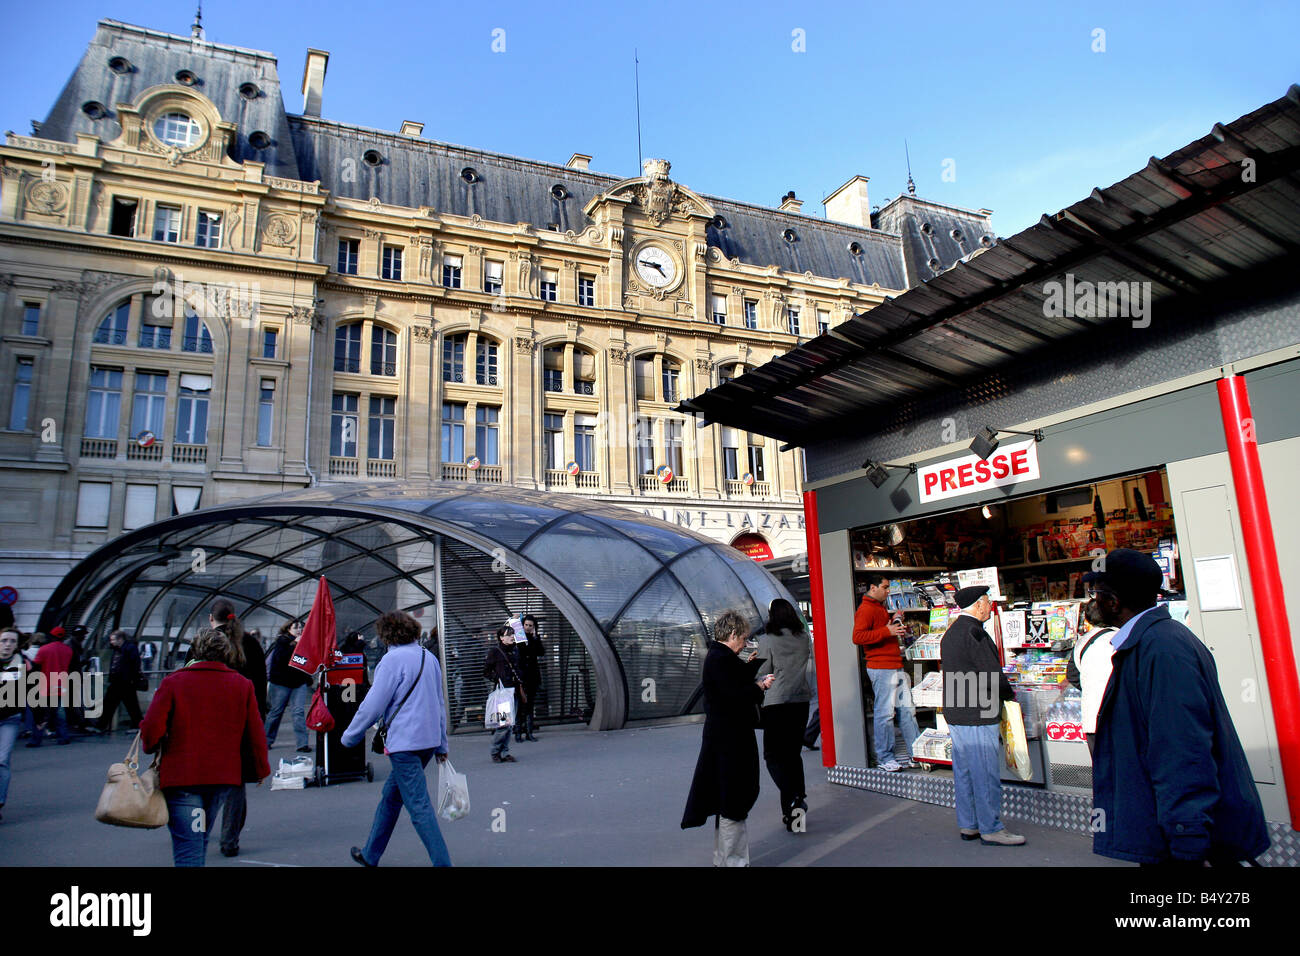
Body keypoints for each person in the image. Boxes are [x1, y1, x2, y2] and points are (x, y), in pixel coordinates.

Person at [1086, 549, 1268, 866]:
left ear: (1114, 602)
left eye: (1096, 594)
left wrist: (1187, 837)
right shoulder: (1153, 642)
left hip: (1184, 841)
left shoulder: (1161, 648)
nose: (1092, 601)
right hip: (1172, 831)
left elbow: (1181, 749)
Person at [139, 628, 270, 867]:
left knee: (189, 845)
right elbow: (255, 732)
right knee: (199, 837)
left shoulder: (174, 682)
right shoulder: (242, 685)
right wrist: (260, 769)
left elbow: (151, 729)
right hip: (221, 777)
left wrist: (151, 746)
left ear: (196, 650)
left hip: (182, 776)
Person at [342, 611, 452, 867]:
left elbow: (372, 706)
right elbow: (439, 703)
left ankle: (443, 863)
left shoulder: (391, 661)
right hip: (428, 740)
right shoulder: (429, 657)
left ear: (386, 635)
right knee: (391, 797)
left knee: (418, 806)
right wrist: (442, 744)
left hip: (404, 743)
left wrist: (350, 736)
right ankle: (370, 854)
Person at [681, 610, 776, 866]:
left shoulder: (718, 657)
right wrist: (759, 687)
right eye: (743, 638)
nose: (745, 643)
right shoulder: (721, 660)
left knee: (727, 800)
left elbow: (729, 688)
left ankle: (725, 859)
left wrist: (749, 670)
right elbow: (735, 696)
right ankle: (734, 861)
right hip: (731, 741)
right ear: (732, 634)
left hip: (722, 739)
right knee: (735, 800)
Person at [940, 585, 1023, 846]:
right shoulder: (975, 633)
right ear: (978, 605)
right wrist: (1009, 695)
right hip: (979, 709)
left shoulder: (951, 633)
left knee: (964, 771)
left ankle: (969, 824)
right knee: (985, 772)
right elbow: (991, 673)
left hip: (957, 710)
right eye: (987, 602)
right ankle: (991, 827)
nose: (990, 606)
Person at [208, 598, 267, 858]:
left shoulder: (205, 641)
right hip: (241, 720)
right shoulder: (251, 643)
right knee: (235, 782)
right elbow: (260, 684)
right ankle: (229, 840)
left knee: (204, 780)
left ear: (212, 619)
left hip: (207, 721)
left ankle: (197, 831)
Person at [852, 572, 920, 770]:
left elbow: (878, 633)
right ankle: (885, 757)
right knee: (886, 714)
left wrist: (894, 624)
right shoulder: (866, 609)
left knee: (907, 711)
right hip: (881, 667)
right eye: (885, 587)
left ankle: (915, 754)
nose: (888, 591)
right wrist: (887, 631)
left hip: (893, 665)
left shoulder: (879, 608)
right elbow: (857, 636)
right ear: (873, 588)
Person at [754, 599, 812, 831]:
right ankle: (793, 817)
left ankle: (792, 795)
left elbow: (762, 673)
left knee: (773, 756)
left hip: (777, 703)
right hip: (800, 701)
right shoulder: (803, 638)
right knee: (792, 755)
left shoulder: (767, 640)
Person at [1065, 600, 1116, 756]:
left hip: (1092, 717)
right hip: (1118, 717)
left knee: (1101, 768)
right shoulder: (1121, 637)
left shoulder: (1082, 642)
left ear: (1086, 619)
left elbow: (1072, 675)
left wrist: (1091, 686)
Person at [264, 619, 312, 752]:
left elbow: (304, 663)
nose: (299, 630)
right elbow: (281, 658)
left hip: (298, 683)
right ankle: (266, 740)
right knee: (276, 712)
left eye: (301, 627)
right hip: (281, 683)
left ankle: (302, 743)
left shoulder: (304, 643)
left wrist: (307, 678)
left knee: (298, 712)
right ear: (288, 629)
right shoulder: (282, 642)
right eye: (296, 627)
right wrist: (294, 645)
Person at [483, 624, 526, 762]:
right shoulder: (495, 652)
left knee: (510, 724)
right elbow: (486, 671)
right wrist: (498, 678)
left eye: (513, 634)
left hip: (515, 692)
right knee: (503, 725)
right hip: (503, 693)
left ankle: (505, 752)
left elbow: (520, 667)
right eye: (508, 635)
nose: (512, 637)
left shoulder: (515, 651)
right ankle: (495, 751)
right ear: (501, 638)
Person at [28, 626, 73, 747]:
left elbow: (35, 666)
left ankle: (36, 739)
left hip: (45, 683)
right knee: (59, 712)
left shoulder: (44, 649)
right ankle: (63, 736)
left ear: (51, 636)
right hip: (61, 683)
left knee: (40, 713)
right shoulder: (68, 650)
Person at [96, 629, 144, 733]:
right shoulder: (120, 649)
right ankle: (138, 724)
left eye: (113, 639)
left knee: (119, 704)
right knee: (123, 704)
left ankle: (101, 725)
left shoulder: (128, 648)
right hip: (119, 681)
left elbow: (134, 665)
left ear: (120, 639)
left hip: (124, 681)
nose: (111, 642)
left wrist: (131, 678)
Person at [0, 629, 25, 822]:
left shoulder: (23, 664)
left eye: (11, 641)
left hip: (10, 717)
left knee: (2, 760)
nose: (7, 644)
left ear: (17, 644)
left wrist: (40, 717)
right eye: (4, 640)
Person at [516, 614, 545, 742]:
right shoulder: (518, 639)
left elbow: (541, 652)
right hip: (521, 676)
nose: (528, 627)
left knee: (530, 704)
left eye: (530, 626)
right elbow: (522, 652)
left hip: (532, 676)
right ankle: (518, 733)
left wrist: (535, 637)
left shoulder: (535, 638)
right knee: (520, 705)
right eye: (526, 625)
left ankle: (529, 732)